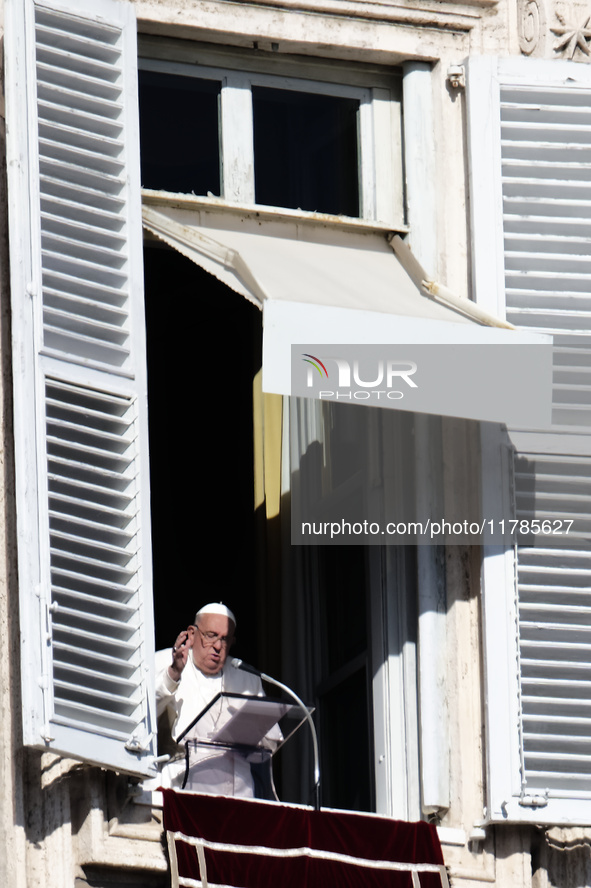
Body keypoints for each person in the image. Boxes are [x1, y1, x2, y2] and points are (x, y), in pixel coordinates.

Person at [155, 602, 279, 797]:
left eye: (225, 639)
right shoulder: (163, 662)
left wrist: (248, 731)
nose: (218, 646)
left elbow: (271, 743)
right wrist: (173, 675)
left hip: (239, 790)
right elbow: (143, 717)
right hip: (183, 783)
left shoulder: (246, 677)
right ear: (192, 633)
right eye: (211, 636)